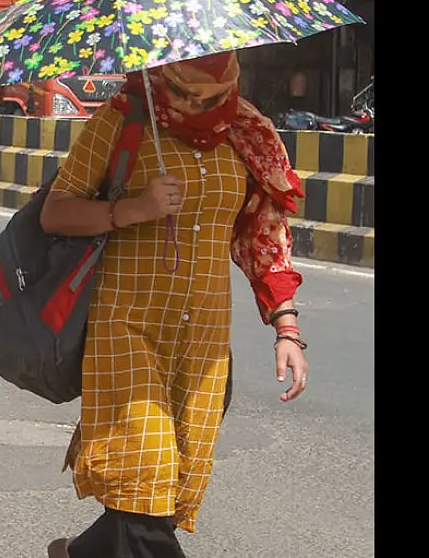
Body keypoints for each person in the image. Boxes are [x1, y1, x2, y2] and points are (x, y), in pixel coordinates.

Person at [38, 51, 310, 558]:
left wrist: (286, 327)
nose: (199, 106)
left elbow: (264, 238)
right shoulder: (122, 119)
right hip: (127, 326)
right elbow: (56, 213)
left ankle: (79, 554)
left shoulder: (247, 132)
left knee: (166, 486)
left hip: (203, 340)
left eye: (213, 95)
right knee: (149, 469)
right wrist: (135, 208)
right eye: (186, 94)